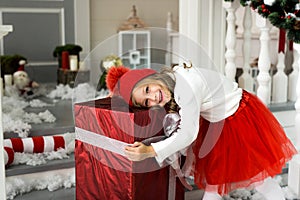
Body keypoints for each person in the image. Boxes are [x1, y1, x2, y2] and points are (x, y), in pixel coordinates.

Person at [105, 63, 297, 200]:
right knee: (215, 178)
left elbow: (187, 133)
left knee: (257, 176)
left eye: (147, 89)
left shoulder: (186, 86)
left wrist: (150, 150)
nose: (153, 98)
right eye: (147, 102)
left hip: (238, 117)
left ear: (152, 77)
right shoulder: (172, 81)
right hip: (218, 121)